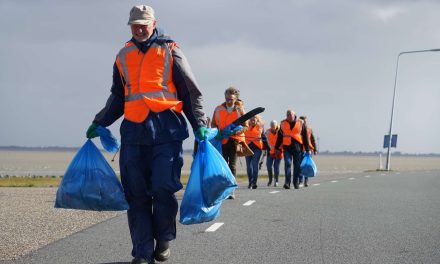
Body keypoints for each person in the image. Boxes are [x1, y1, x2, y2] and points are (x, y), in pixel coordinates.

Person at [85, 5, 208, 264]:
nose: (139, 28)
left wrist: (199, 124)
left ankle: (163, 238)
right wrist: (100, 121)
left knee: (164, 189)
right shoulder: (123, 55)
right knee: (136, 194)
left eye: (144, 23)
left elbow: (189, 92)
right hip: (134, 134)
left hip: (167, 130)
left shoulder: (171, 50)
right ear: (130, 26)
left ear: (154, 23)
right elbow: (118, 96)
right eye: (135, 24)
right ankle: (142, 252)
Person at [211, 86, 247, 199]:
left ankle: (231, 190)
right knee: (223, 165)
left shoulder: (240, 110)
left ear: (236, 99)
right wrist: (218, 133)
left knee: (232, 165)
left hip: (235, 140)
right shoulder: (218, 109)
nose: (229, 101)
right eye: (227, 98)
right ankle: (224, 188)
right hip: (222, 140)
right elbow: (213, 124)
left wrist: (236, 131)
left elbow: (246, 126)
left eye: (231, 99)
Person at [275, 110, 310, 190]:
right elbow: (280, 136)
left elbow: (305, 137)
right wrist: (277, 147)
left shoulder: (301, 123)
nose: (289, 116)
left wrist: (307, 148)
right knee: (287, 163)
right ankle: (287, 182)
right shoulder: (283, 123)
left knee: (297, 166)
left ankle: (295, 182)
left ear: (294, 115)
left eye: (290, 115)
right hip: (287, 147)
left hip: (297, 148)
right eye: (287, 115)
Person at [244, 115, 264, 189]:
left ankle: (254, 183)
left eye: (254, 120)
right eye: (251, 120)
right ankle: (250, 182)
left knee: (255, 165)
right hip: (247, 148)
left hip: (257, 149)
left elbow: (264, 136)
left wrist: (268, 147)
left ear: (256, 120)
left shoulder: (260, 127)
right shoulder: (245, 127)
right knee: (249, 167)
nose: (252, 121)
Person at [299, 116, 317, 187]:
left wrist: (315, 149)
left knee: (307, 165)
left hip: (308, 150)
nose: (304, 122)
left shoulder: (309, 129)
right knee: (300, 165)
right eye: (303, 121)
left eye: (305, 121)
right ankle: (300, 181)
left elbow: (313, 139)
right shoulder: (298, 129)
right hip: (300, 149)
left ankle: (306, 181)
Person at [264, 120, 283, 187]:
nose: (272, 128)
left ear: (276, 126)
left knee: (276, 167)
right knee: (269, 166)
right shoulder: (267, 132)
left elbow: (283, 141)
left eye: (274, 126)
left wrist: (279, 149)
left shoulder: (280, 132)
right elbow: (264, 140)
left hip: (278, 152)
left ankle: (276, 180)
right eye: (271, 126)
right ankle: (270, 180)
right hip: (270, 152)